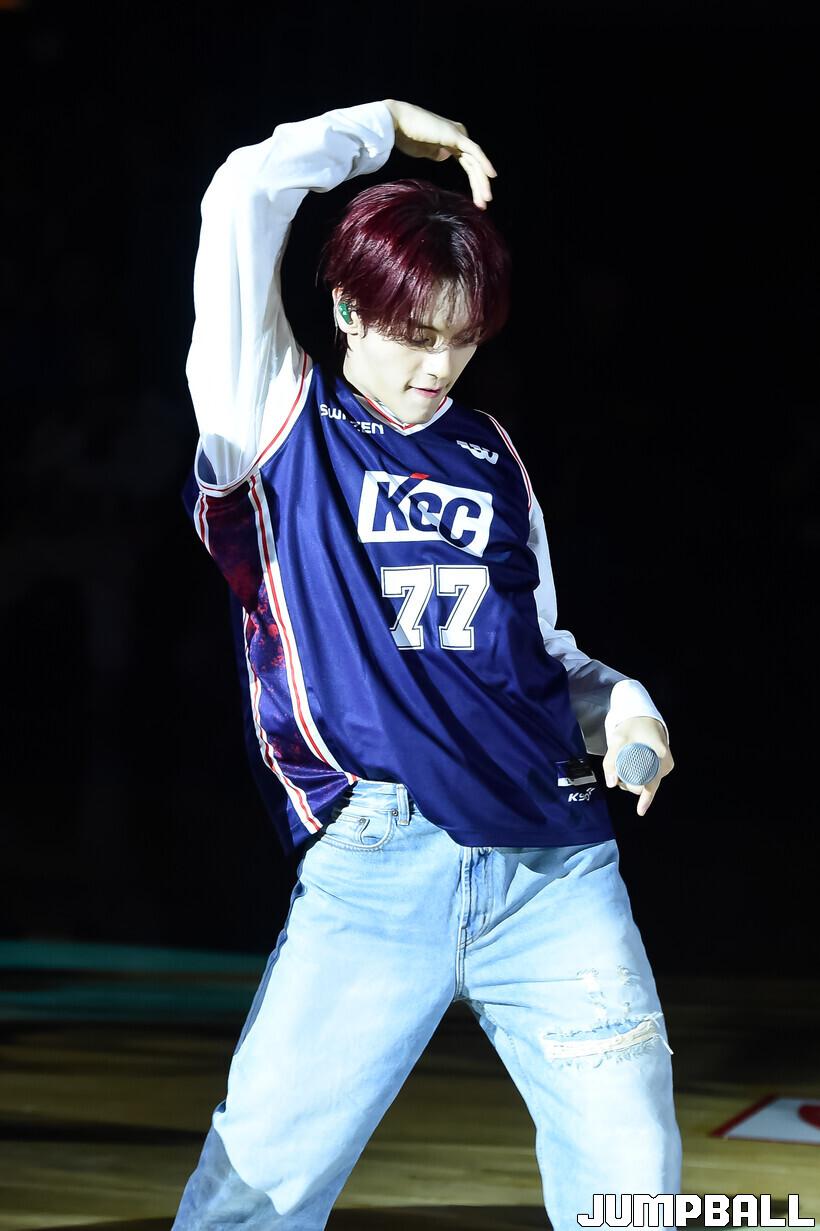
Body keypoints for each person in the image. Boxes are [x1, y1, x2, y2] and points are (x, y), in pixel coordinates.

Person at [172, 98, 682, 1229]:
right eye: (416, 335)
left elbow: (544, 657)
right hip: (378, 866)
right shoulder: (273, 412)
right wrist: (389, 125)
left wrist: (627, 712)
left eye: (464, 338)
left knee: (633, 1188)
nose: (439, 365)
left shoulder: (491, 454)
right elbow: (243, 194)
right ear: (347, 309)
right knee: (254, 1197)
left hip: (557, 869)